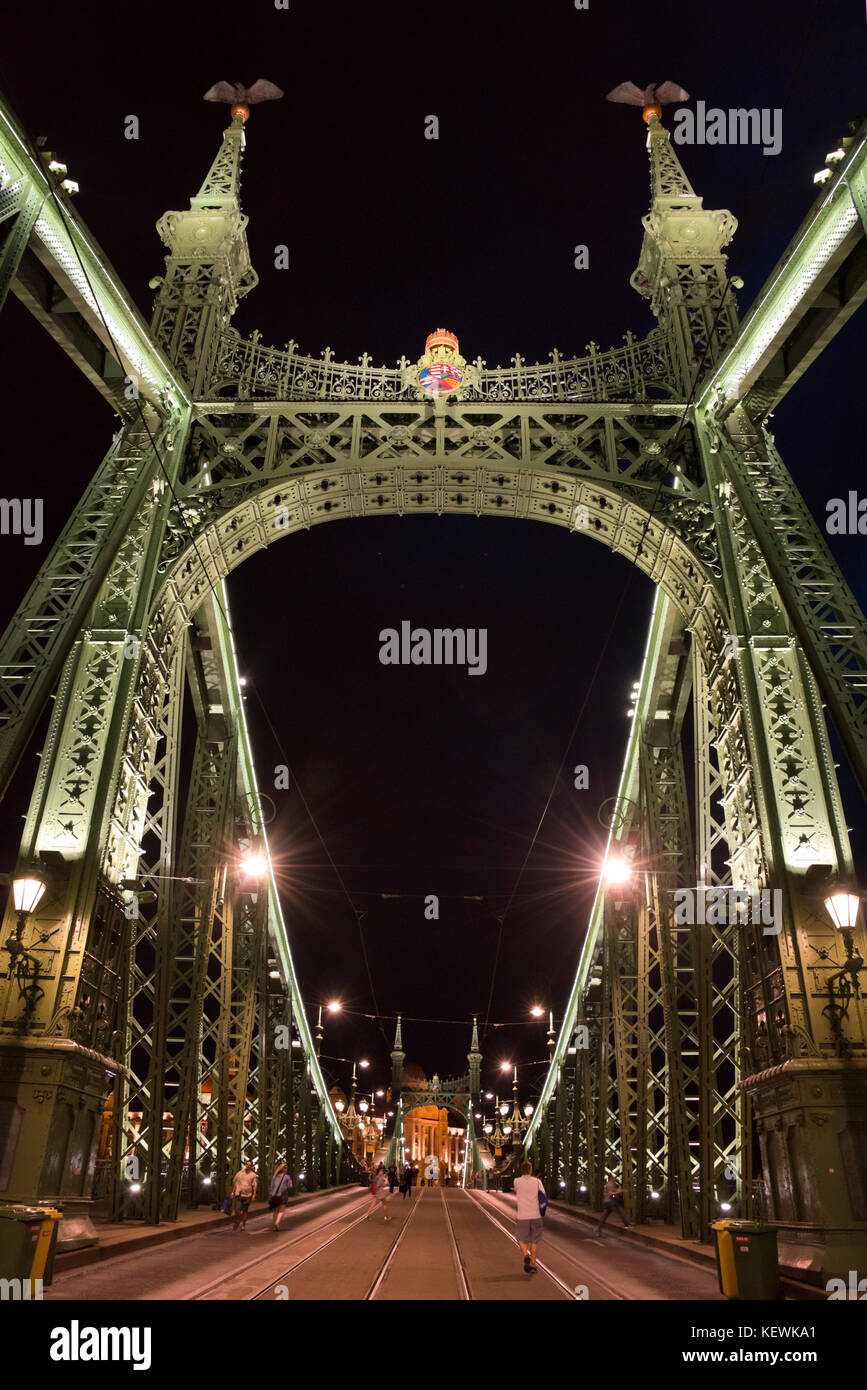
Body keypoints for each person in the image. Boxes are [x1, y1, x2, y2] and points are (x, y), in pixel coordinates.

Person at [513, 1160, 546, 1274]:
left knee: (521, 1239)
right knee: (534, 1241)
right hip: (536, 1215)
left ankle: (526, 1254)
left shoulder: (516, 1181)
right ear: (531, 1170)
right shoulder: (537, 1182)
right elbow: (543, 1195)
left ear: (521, 1170)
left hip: (522, 1216)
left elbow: (517, 1190)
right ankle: (532, 1265)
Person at [231, 1158, 258, 1231]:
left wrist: (254, 1195)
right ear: (245, 1165)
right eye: (247, 1164)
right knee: (237, 1210)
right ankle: (238, 1220)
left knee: (245, 1211)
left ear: (251, 1166)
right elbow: (235, 1182)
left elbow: (254, 1185)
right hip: (239, 1194)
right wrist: (233, 1191)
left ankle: (243, 1225)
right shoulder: (239, 1173)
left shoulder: (253, 1175)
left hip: (247, 1195)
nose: (248, 1166)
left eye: (250, 1165)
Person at [268, 1162, 292, 1231]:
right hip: (283, 1195)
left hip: (274, 1195)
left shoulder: (274, 1176)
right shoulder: (287, 1177)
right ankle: (277, 1222)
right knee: (282, 1210)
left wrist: (270, 1195)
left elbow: (271, 1187)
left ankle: (275, 1225)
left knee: (275, 1211)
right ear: (285, 1169)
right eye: (286, 1168)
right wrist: (290, 1182)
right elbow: (289, 1187)